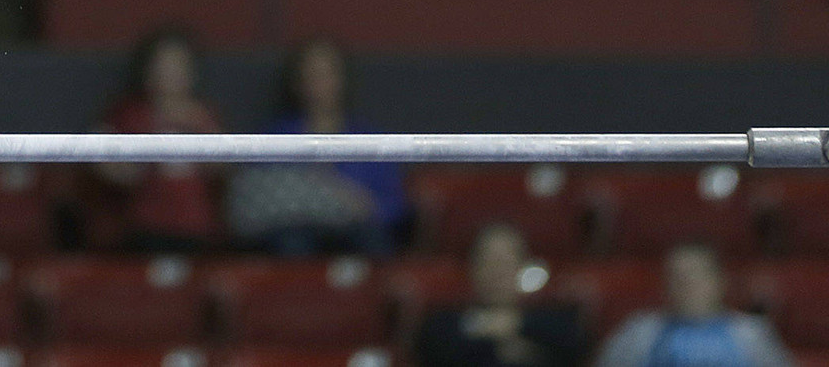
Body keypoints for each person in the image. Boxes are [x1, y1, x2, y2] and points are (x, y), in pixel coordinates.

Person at [225, 35, 410, 254]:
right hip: (295, 234)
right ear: (297, 82)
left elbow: (395, 206)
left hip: (358, 233)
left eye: (326, 74)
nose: (320, 84)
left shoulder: (370, 139)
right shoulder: (274, 137)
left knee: (374, 243)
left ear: (342, 79)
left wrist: (364, 205)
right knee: (292, 245)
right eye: (311, 75)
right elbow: (254, 199)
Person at [89, 26, 224, 249]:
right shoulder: (128, 115)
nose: (170, 74)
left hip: (198, 228)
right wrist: (151, 138)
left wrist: (200, 128)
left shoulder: (204, 115)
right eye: (163, 65)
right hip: (145, 228)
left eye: (177, 65)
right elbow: (108, 171)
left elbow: (222, 169)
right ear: (147, 71)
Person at [416, 223, 588, 367]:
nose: (497, 272)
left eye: (505, 262)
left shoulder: (553, 319)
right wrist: (497, 340)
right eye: (488, 262)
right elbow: (435, 350)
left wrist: (514, 324)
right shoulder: (443, 322)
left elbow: (573, 344)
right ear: (473, 268)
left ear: (522, 268)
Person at [594, 244, 792, 367]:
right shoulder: (638, 333)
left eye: (696, 273)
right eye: (677, 276)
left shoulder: (752, 335)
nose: (687, 283)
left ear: (719, 281)